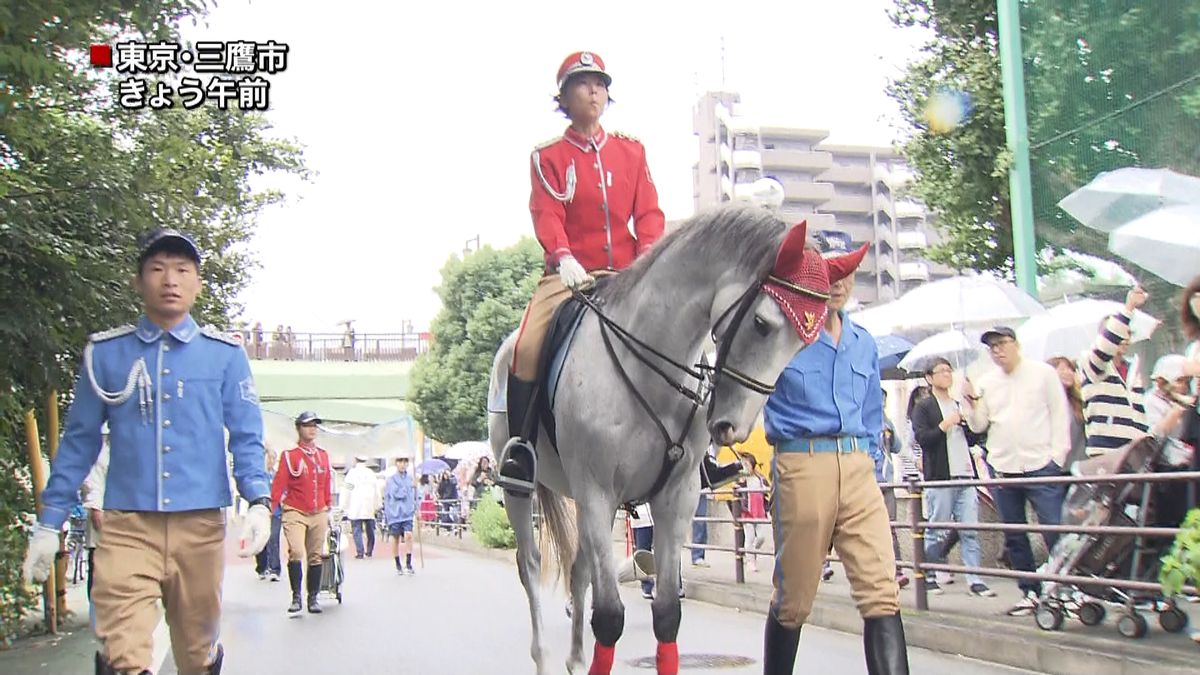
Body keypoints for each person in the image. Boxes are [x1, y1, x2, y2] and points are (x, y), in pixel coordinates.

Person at [21, 228, 273, 675]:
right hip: (126, 526)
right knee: (123, 655)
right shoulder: (107, 354)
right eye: (157, 269)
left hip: (200, 525)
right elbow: (80, 440)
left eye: (182, 270)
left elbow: (246, 435)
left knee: (196, 654)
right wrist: (49, 522)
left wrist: (258, 501)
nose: (169, 280)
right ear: (138, 282)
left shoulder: (224, 357)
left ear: (197, 283)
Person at [497, 50, 740, 495]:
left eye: (600, 83)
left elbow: (648, 212)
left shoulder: (631, 150)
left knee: (691, 338)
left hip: (632, 272)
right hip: (570, 274)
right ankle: (522, 449)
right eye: (582, 83)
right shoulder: (548, 156)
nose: (594, 90)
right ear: (564, 97)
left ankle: (702, 453)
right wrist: (563, 256)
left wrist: (652, 261)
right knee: (527, 343)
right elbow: (546, 214)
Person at [761, 239, 911, 675]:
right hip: (802, 464)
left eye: (845, 274)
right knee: (794, 600)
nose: (839, 284)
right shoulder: (782, 338)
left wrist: (870, 462)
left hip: (859, 467)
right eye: (828, 274)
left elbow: (869, 414)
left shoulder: (864, 343)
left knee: (882, 591)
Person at [963, 326, 1070, 617]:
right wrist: (970, 402)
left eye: (1001, 344)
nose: (997, 351)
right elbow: (978, 425)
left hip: (1041, 464)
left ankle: (1067, 588)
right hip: (1004, 465)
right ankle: (1029, 591)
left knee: (1055, 528)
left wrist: (1057, 457)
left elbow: (1060, 413)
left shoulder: (1042, 374)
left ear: (1016, 344)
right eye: (992, 347)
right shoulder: (987, 382)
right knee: (1015, 533)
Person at [911, 358, 995, 598]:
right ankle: (929, 576)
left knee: (969, 528)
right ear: (929, 377)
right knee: (936, 528)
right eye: (941, 371)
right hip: (940, 475)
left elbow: (975, 437)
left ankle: (975, 579)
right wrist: (945, 425)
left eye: (949, 370)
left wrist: (970, 410)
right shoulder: (925, 407)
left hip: (965, 473)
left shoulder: (958, 404)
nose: (947, 375)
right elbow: (923, 438)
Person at [271, 411, 333, 615]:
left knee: (315, 556)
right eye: (308, 425)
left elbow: (326, 484)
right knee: (296, 551)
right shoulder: (290, 456)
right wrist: (271, 509)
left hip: (318, 511)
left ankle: (312, 597)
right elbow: (279, 485)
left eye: (315, 425)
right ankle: (296, 596)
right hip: (295, 510)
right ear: (299, 428)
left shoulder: (322, 456)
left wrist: (328, 506)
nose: (312, 429)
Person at [1079, 287, 1151, 457]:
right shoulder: (1093, 364)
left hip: (1135, 452)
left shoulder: (1133, 368)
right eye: (1120, 334)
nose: (1125, 338)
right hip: (1105, 451)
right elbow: (1105, 346)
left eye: (1128, 333)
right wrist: (1129, 308)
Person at [877, 391, 910, 589]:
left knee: (891, 527)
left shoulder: (886, 421)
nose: (881, 403)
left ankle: (896, 570)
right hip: (868, 480)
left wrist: (889, 433)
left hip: (887, 481)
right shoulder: (861, 419)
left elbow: (897, 447)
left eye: (883, 400)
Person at [1046, 356, 1087, 472]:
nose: (1068, 373)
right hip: (1055, 467)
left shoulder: (1078, 401)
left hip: (1079, 465)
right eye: (1062, 369)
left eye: (1071, 369)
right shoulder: (1044, 403)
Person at [343, 455, 381, 559]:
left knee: (356, 529)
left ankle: (360, 551)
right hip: (369, 504)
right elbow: (376, 490)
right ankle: (369, 551)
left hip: (355, 505)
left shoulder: (351, 474)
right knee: (370, 529)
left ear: (355, 460)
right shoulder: (371, 474)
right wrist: (378, 505)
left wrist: (343, 505)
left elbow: (347, 490)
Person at [738, 452, 770, 573]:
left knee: (761, 537)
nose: (745, 466)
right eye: (743, 464)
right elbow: (736, 492)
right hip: (747, 512)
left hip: (760, 512)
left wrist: (768, 509)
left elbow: (767, 493)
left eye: (747, 464)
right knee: (749, 538)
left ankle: (751, 553)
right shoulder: (742, 479)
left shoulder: (760, 478)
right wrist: (740, 480)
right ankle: (751, 561)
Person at [384, 456, 417, 574]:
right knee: (396, 538)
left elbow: (414, 496)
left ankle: (408, 562)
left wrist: (416, 507)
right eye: (400, 462)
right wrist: (408, 487)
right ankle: (398, 563)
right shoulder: (391, 480)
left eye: (405, 462)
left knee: (408, 535)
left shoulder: (410, 479)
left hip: (407, 513)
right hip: (394, 513)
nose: (402, 464)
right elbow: (396, 494)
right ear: (396, 463)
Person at [254, 448, 283, 581]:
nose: (271, 461)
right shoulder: (260, 476)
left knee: (274, 539)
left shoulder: (278, 475)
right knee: (261, 539)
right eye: (269, 458)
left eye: (273, 458)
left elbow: (284, 491)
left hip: (275, 512)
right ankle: (262, 567)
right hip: (261, 512)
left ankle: (275, 569)